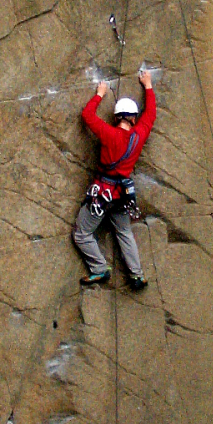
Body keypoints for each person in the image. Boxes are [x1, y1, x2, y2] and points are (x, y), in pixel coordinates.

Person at [73, 70, 156, 291]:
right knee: (124, 232)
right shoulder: (139, 136)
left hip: (101, 194)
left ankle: (99, 267)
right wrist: (148, 85)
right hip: (122, 195)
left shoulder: (108, 134)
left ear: (117, 117)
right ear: (133, 118)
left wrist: (100, 94)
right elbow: (151, 115)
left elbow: (87, 116)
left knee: (82, 234)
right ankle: (137, 275)